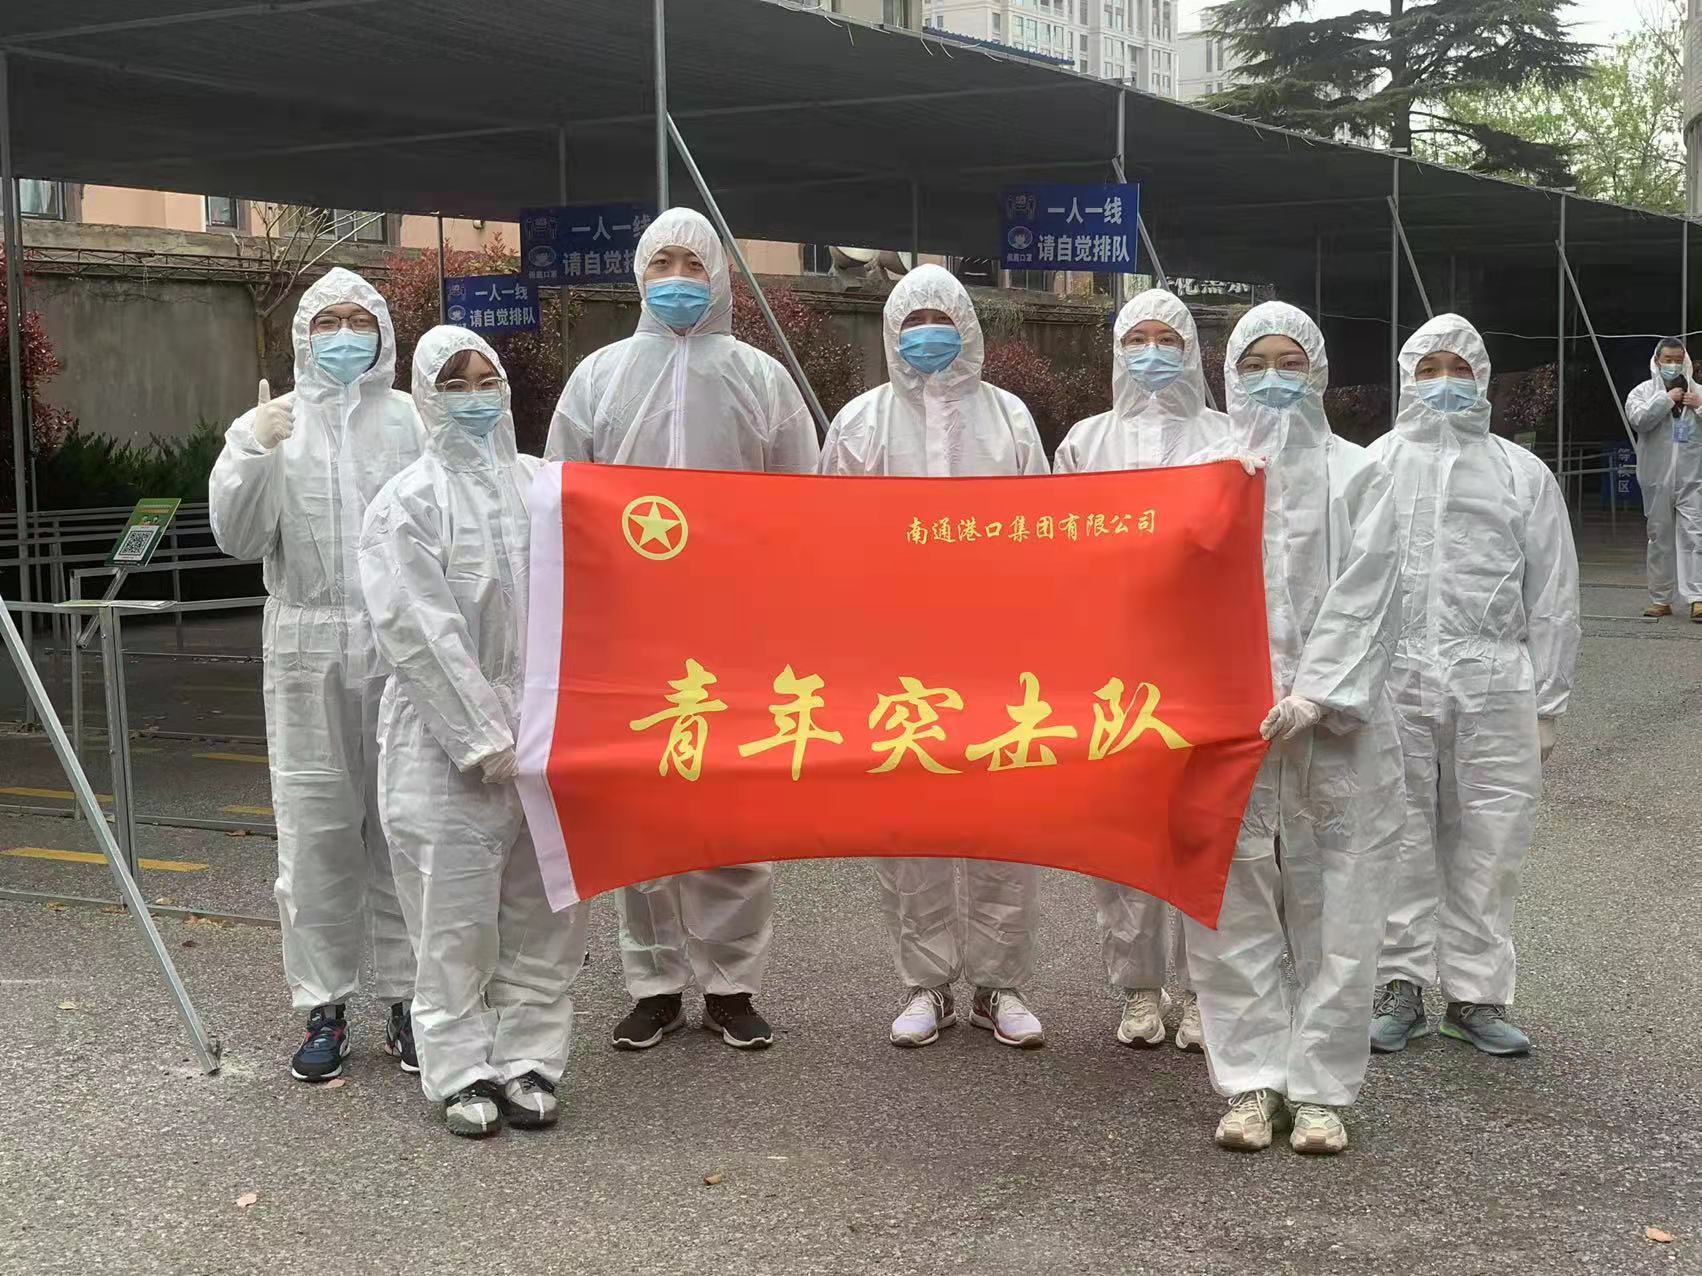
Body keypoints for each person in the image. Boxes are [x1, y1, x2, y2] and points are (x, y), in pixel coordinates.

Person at [545, 208, 820, 1052]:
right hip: (631, 626)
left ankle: (732, 984)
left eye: (691, 264)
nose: (675, 278)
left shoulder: (762, 380)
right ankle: (654, 983)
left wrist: (785, 611)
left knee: (731, 800)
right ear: (638, 273)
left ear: (718, 276)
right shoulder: (598, 377)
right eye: (661, 262)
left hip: (734, 621)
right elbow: (560, 497)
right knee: (643, 801)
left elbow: (804, 504)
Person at [1181, 302, 1404, 1156]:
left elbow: (1371, 588)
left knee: (1339, 908)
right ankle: (1251, 1080)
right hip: (1226, 729)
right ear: (1229, 375)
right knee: (1230, 904)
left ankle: (1320, 1091)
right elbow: (1161, 597)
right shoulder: (1201, 476)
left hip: (1335, 729)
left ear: (1318, 372)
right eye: (1254, 363)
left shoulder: (1358, 474)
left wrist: (1318, 692)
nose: (1273, 378)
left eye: (1289, 361)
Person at [358, 326, 589, 1138]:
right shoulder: (407, 502)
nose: (474, 396)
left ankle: (532, 1058)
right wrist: (482, 732)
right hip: (443, 741)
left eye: (486, 379)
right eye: (454, 383)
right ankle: (459, 1070)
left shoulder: (544, 487)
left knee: (545, 909)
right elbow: (418, 629)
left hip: (551, 730)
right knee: (451, 916)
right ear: (427, 396)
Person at [818, 264, 1051, 1051]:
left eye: (940, 318)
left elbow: (1047, 529)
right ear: (891, 332)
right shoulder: (859, 424)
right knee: (909, 819)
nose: (927, 334)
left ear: (967, 327)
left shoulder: (1010, 419)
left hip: (998, 650)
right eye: (912, 320)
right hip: (897, 654)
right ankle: (925, 984)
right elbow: (827, 539)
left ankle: (999, 985)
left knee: (1001, 818)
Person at [209, 268, 424, 1082]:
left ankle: (411, 1000)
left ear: (382, 332)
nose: (342, 335)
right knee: (314, 826)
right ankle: (324, 1005)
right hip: (305, 639)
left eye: (356, 319)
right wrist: (251, 450)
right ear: (303, 336)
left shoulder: (410, 419)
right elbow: (237, 537)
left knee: (404, 820)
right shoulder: (272, 424)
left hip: (398, 638)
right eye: (326, 321)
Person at [1367, 314, 1580, 1058]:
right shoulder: (1374, 465)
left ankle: (1476, 994)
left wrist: (1548, 701)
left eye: (1459, 369)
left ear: (1483, 378)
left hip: (1494, 679)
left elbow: (1552, 592)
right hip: (1393, 676)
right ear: (1406, 378)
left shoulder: (1521, 474)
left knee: (1491, 839)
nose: (1445, 383)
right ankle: (1397, 984)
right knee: (1396, 833)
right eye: (1429, 370)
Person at [1054, 288, 1231, 1053]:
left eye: (1167, 339)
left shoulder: (1228, 439)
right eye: (1137, 339)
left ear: (1192, 351)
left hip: (1203, 664)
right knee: (1123, 834)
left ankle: (1200, 990)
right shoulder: (1085, 442)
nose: (1152, 353)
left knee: (1203, 828)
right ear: (1117, 351)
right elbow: (1057, 555)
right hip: (1112, 667)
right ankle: (1138, 988)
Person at [1625, 338, 1702, 621]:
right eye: (1667, 359)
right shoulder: (1643, 392)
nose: (1673, 365)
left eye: (1677, 360)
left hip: (1693, 479)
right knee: (1659, 538)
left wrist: (1700, 405)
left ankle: (1698, 598)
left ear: (1686, 361)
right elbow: (1638, 420)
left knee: (1695, 536)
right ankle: (1661, 599)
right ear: (1657, 361)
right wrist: (1665, 400)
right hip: (1656, 480)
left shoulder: (1699, 392)